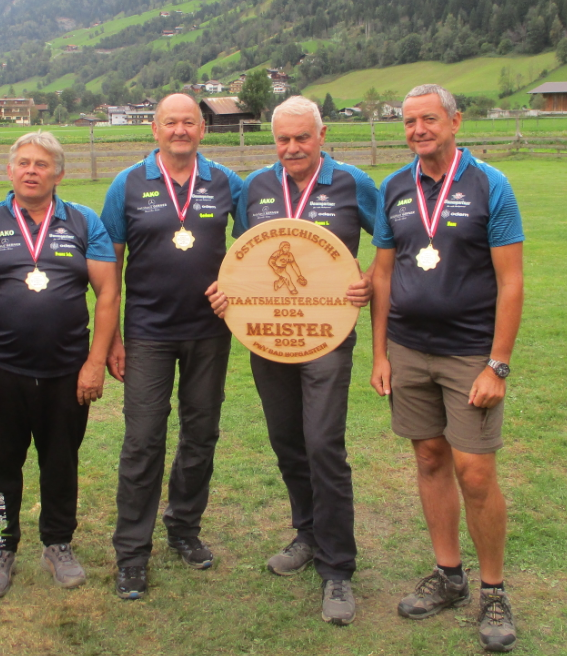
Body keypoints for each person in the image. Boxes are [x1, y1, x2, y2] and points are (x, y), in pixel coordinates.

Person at [206, 95, 376, 625]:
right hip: (269, 338)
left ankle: (338, 571)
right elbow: (244, 256)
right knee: (287, 440)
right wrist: (225, 291)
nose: (293, 147)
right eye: (283, 138)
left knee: (324, 443)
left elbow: (392, 241)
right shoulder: (256, 187)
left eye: (303, 137)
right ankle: (306, 532)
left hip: (327, 336)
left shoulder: (352, 184)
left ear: (322, 135)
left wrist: (373, 280)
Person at [369, 84, 524, 653]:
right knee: (429, 458)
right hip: (409, 350)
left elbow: (511, 281)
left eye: (428, 119)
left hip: (468, 354)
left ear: (456, 120)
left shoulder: (489, 184)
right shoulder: (394, 188)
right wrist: (381, 353)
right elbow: (382, 276)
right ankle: (449, 575)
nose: (417, 130)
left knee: (476, 474)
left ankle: (493, 591)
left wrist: (497, 365)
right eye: (408, 121)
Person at [0, 131, 118, 599]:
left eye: (42, 164)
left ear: (59, 173)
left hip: (67, 372)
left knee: (61, 462)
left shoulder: (84, 222)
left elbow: (108, 293)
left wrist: (94, 363)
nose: (31, 170)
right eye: (23, 163)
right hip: (0, 371)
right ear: (9, 171)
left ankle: (58, 544)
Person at [100, 93, 243, 599]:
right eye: (170, 123)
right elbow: (108, 270)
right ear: (155, 129)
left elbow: (258, 248)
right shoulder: (127, 184)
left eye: (189, 122)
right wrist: (113, 336)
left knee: (201, 434)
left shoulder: (227, 183)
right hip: (147, 334)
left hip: (209, 332)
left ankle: (184, 528)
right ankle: (132, 554)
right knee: (143, 440)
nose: (180, 130)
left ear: (203, 129)